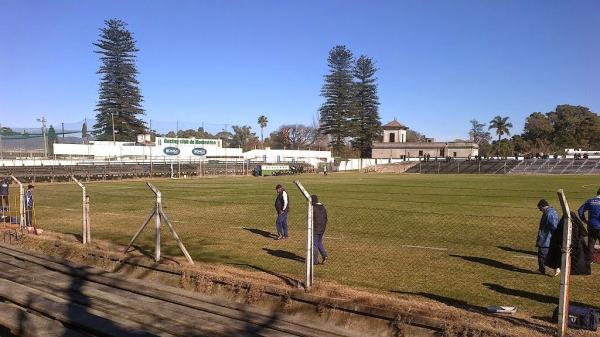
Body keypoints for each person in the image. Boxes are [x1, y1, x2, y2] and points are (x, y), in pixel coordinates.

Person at [536, 199, 560, 276]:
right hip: (549, 238)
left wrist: (555, 236)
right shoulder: (552, 212)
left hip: (546, 239)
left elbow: (554, 226)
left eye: (540, 208)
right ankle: (555, 268)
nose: (540, 210)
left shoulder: (549, 214)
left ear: (542, 206)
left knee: (542, 255)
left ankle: (542, 269)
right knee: (548, 255)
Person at [578, 187, 600, 258]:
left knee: (591, 245)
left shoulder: (590, 201)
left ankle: (589, 261)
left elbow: (580, 211)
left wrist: (584, 220)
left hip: (591, 226)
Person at [311, 195, 328, 265]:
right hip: (322, 228)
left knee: (314, 244)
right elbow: (326, 218)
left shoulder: (313, 208)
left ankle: (315, 261)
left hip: (316, 228)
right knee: (319, 242)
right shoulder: (323, 207)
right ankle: (324, 255)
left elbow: (311, 218)